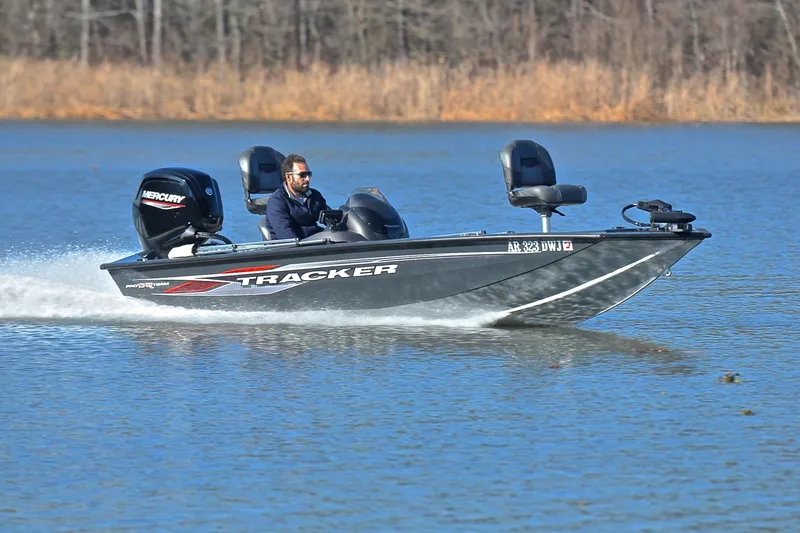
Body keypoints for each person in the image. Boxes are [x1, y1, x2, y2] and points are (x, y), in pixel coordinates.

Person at [265, 154, 330, 240]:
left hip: (316, 241)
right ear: (289, 177)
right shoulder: (277, 201)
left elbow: (330, 218)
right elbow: (285, 235)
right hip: (292, 246)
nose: (307, 179)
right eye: (302, 175)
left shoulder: (314, 195)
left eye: (309, 174)